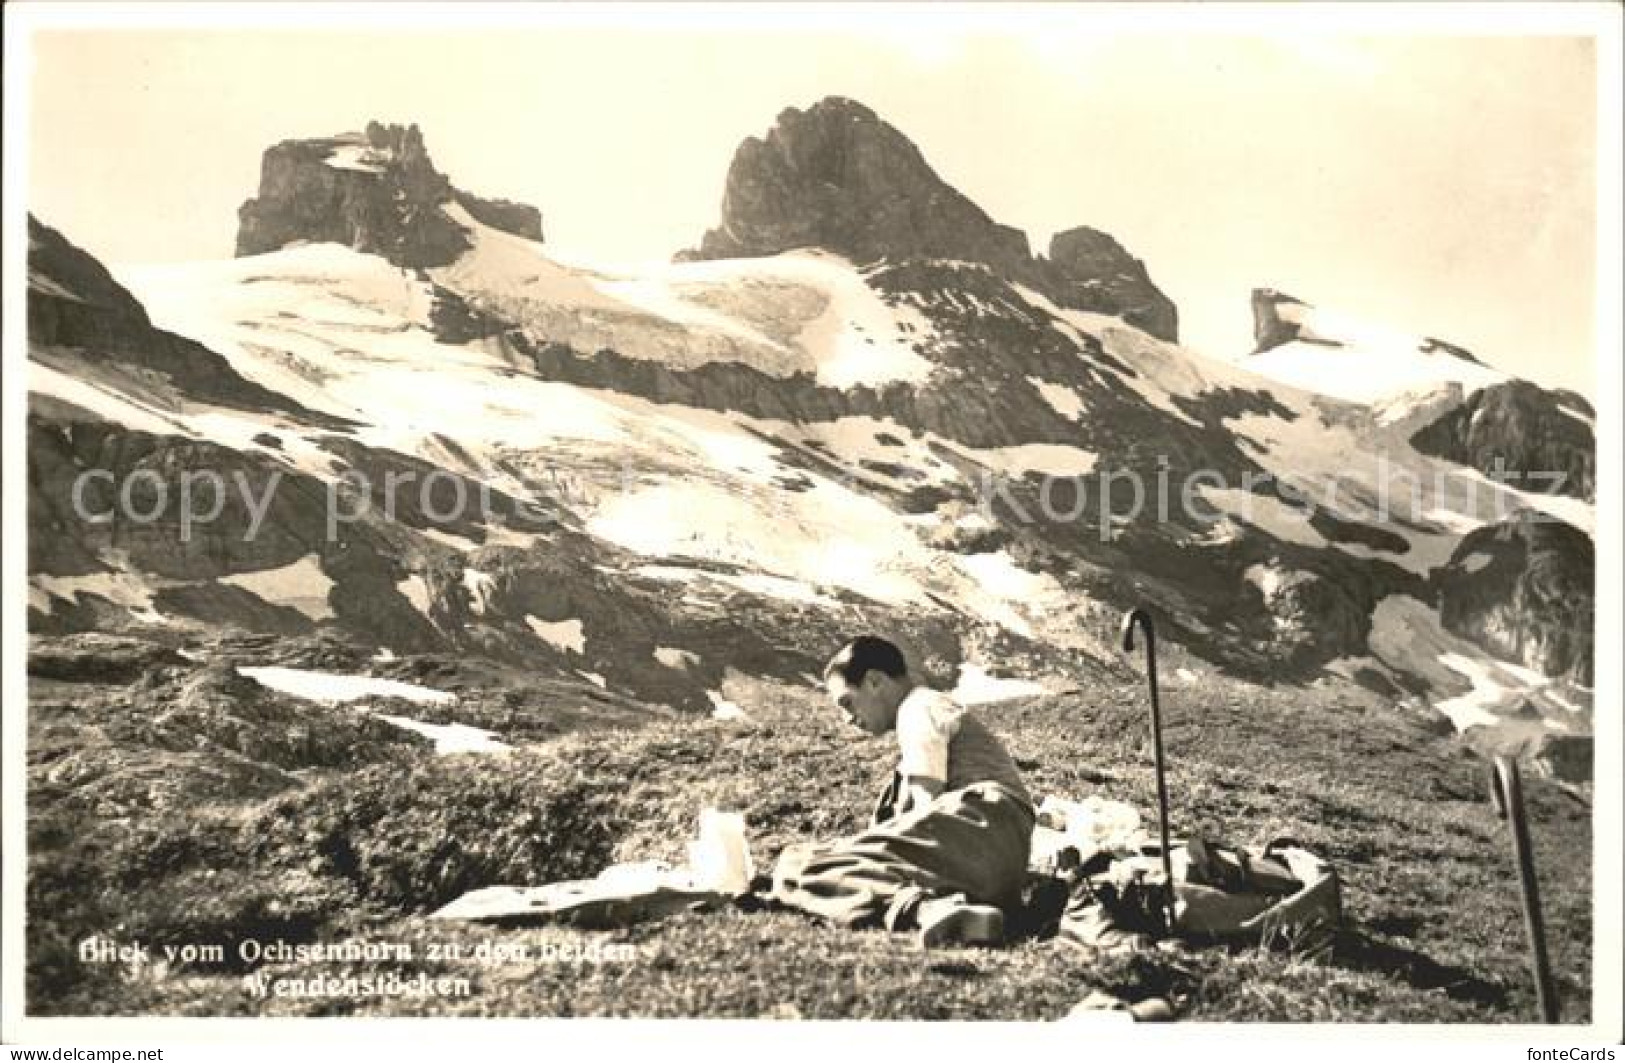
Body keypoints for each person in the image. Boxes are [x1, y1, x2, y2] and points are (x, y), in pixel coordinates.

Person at [771, 635, 1036, 947]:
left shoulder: (917, 708)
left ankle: (926, 910)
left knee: (813, 867)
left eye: (847, 702)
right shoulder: (928, 706)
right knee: (796, 864)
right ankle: (962, 911)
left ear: (873, 681)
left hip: (978, 825)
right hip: (999, 852)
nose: (848, 718)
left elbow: (928, 804)